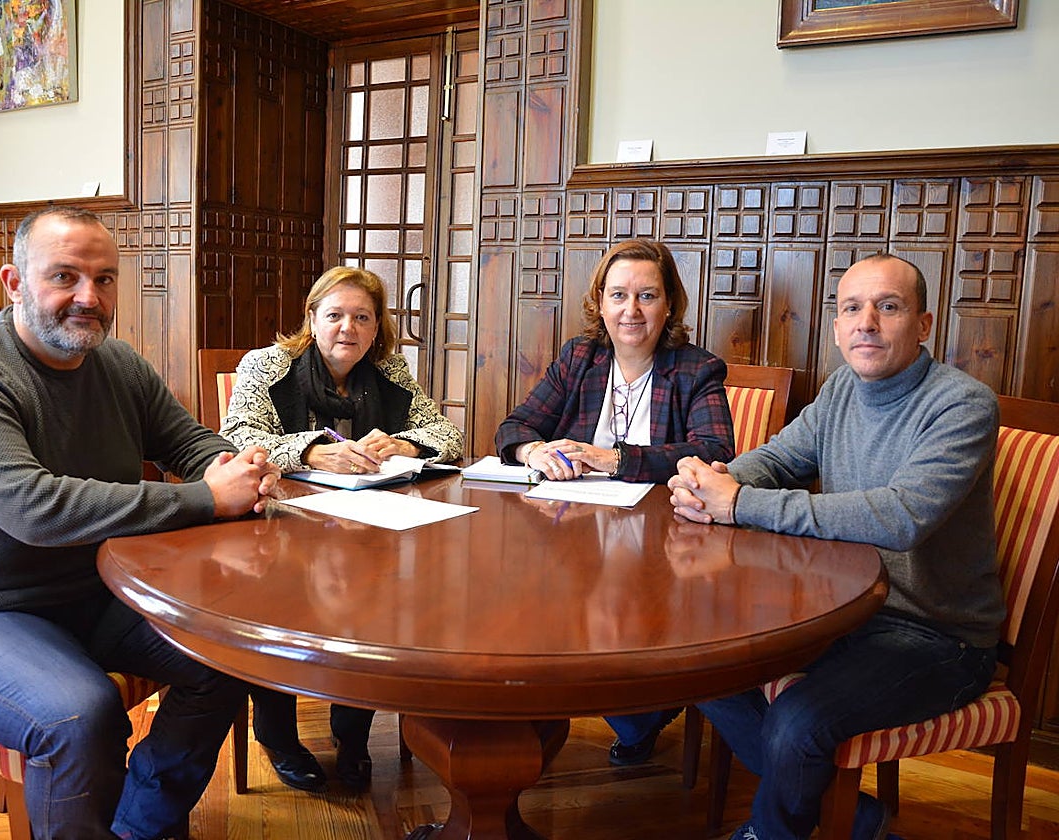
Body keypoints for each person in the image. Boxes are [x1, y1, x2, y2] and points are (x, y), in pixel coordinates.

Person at [0, 206, 281, 840]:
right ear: (13, 283)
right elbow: (35, 509)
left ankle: (141, 826)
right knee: (77, 715)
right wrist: (207, 499)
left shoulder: (117, 365)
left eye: (105, 279)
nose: (89, 298)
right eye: (64, 277)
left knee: (224, 653)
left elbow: (188, 442)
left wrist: (231, 464)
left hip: (81, 591)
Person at [668, 253, 1004, 840]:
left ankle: (773, 833)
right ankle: (853, 820)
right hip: (843, 609)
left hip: (938, 633)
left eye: (888, 307)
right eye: (852, 308)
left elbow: (903, 517)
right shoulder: (842, 387)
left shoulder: (963, 404)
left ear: (924, 325)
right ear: (837, 325)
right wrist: (713, 481)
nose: (866, 322)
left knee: (798, 724)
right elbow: (777, 458)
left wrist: (738, 504)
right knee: (698, 662)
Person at [219, 264, 464, 792]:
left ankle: (352, 736)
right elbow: (237, 437)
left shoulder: (391, 371)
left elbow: (448, 434)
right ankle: (278, 736)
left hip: (369, 528)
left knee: (376, 609)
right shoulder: (268, 365)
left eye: (361, 317)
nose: (346, 329)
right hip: (280, 526)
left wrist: (407, 444)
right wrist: (310, 449)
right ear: (312, 318)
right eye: (334, 315)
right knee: (274, 607)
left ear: (377, 328)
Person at [493, 237, 734, 766]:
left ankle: (638, 711)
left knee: (621, 616)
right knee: (526, 605)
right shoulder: (581, 358)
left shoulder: (696, 369)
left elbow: (715, 452)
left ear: (669, 303)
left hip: (665, 540)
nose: (631, 310)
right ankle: (540, 720)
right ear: (599, 302)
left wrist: (615, 459)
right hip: (575, 535)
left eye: (647, 296)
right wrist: (534, 448)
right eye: (618, 294)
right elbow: (513, 427)